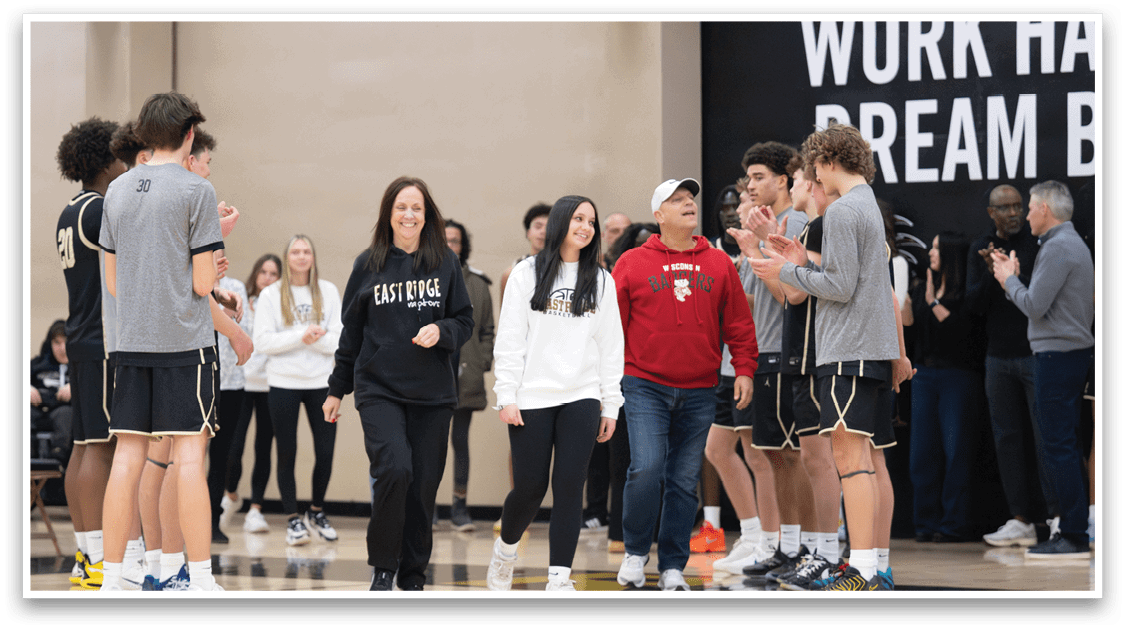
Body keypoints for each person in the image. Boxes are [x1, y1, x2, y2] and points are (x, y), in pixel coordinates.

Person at [752, 123, 914, 590]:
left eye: (814, 170)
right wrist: (802, 261)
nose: (814, 181)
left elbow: (839, 288)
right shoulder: (868, 208)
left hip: (848, 351)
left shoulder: (843, 212)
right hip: (869, 351)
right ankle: (868, 566)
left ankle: (861, 569)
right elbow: (866, 285)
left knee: (852, 462)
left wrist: (785, 270)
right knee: (862, 460)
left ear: (826, 162)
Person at [97, 92, 227, 592]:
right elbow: (200, 284)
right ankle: (201, 580)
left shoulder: (117, 190)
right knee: (190, 461)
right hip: (184, 347)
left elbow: (113, 282)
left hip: (130, 345)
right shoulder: (197, 192)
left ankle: (111, 580)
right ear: (190, 135)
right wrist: (213, 263)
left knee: (126, 460)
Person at [324, 176, 473, 591]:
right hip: (379, 389)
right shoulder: (367, 264)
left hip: (433, 394)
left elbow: (464, 321)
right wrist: (337, 389)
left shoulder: (445, 262)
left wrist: (441, 331)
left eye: (417, 208)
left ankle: (412, 576)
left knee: (424, 485)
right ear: (389, 214)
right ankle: (384, 567)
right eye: (401, 207)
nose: (409, 215)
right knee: (394, 468)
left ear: (427, 216)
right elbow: (350, 332)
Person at [612, 178, 758, 591]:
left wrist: (744, 369)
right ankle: (636, 552)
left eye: (690, 199)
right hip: (644, 384)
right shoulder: (631, 263)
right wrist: (610, 382)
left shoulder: (718, 263)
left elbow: (739, 324)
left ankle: (673, 565)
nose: (688, 204)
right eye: (677, 200)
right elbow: (612, 329)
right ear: (659, 215)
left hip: (699, 388)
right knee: (647, 468)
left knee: (682, 478)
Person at [486, 195, 625, 591]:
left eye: (591, 221)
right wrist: (506, 394)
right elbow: (510, 340)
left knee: (569, 485)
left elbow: (611, 346)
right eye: (579, 218)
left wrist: (610, 403)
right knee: (530, 488)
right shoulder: (525, 273)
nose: (586, 227)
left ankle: (559, 580)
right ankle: (505, 552)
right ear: (562, 221)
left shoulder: (601, 280)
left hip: (582, 394)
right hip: (532, 396)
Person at [991, 180, 1094, 560]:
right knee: (1062, 444)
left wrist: (1009, 279)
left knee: (1059, 447)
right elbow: (1043, 303)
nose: (1026, 215)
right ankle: (1073, 530)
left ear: (1045, 210)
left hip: (1058, 356)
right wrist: (1014, 281)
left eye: (1031, 207)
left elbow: (1034, 306)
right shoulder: (1067, 245)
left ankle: (1072, 534)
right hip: (1067, 353)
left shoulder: (1058, 246)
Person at [730, 142, 814, 582]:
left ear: (785, 180)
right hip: (763, 350)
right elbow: (753, 296)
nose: (752, 185)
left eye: (760, 176)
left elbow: (789, 293)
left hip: (788, 349)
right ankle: (786, 544)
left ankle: (807, 547)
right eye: (750, 178)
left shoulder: (794, 222)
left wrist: (758, 247)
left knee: (794, 455)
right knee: (775, 454)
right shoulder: (763, 226)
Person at [54, 116, 128, 590]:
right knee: (100, 449)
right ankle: (99, 558)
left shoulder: (69, 210)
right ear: (109, 159)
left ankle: (86, 556)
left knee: (83, 448)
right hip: (101, 339)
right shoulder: (99, 210)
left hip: (80, 339)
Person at [965, 185, 1053, 547]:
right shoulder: (981, 248)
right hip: (997, 357)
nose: (1014, 213)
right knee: (1007, 439)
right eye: (1006, 208)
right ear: (991, 213)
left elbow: (1042, 297)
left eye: (1019, 206)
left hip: (1035, 352)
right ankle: (1020, 519)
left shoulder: (1037, 243)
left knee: (1046, 436)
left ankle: (1057, 517)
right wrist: (992, 273)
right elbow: (972, 306)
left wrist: (1012, 276)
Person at [253, 234, 342, 547]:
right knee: (286, 452)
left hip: (323, 384)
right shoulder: (271, 295)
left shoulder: (328, 292)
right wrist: (302, 335)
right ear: (287, 257)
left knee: (326, 452)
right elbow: (262, 342)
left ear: (313, 257)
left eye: (307, 251)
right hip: (283, 384)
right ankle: (293, 519)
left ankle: (316, 511)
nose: (302, 256)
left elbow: (339, 341)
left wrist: (313, 339)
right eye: (296, 251)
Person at [903, 232, 987, 542]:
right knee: (922, 453)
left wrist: (933, 302)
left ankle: (954, 524)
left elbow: (958, 330)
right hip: (924, 375)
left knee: (956, 452)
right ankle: (924, 522)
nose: (931, 251)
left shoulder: (965, 293)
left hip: (958, 376)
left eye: (937, 247)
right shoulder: (922, 285)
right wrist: (908, 301)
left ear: (950, 253)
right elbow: (911, 328)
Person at [223, 253, 282, 535]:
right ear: (255, 274)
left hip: (271, 385)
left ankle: (256, 509)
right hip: (243, 382)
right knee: (234, 445)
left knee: (263, 447)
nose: (268, 278)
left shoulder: (282, 306)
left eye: (273, 274)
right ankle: (231, 493)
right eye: (264, 272)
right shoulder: (242, 300)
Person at [443, 219, 495, 532]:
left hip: (467, 377)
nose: (450, 245)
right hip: (432, 377)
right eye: (445, 240)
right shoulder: (425, 278)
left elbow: (488, 329)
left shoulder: (478, 283)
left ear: (464, 245)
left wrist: (482, 362)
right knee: (429, 444)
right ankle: (427, 507)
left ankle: (459, 506)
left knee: (460, 442)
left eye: (456, 241)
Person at [30, 320, 73, 462]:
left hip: (63, 412)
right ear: (50, 344)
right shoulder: (37, 364)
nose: (63, 348)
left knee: (66, 414)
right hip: (36, 410)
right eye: (57, 343)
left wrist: (76, 388)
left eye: (66, 342)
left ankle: (57, 459)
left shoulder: (81, 370)